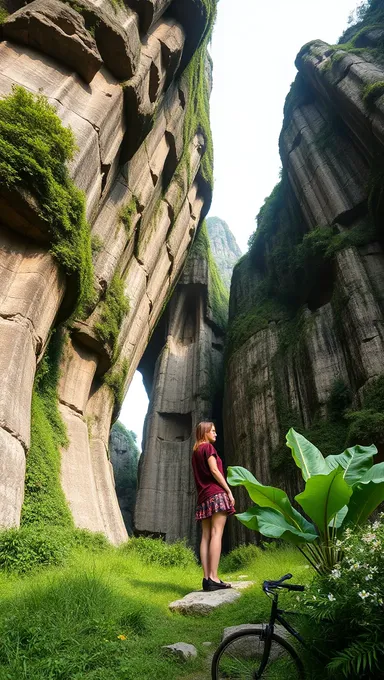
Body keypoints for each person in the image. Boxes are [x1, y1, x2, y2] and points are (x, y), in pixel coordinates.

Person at [192, 421, 235, 592]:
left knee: (206, 537)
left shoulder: (195, 451)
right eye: (213, 431)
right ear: (205, 432)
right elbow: (215, 471)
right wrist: (228, 490)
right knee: (217, 534)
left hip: (203, 497)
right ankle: (214, 577)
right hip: (216, 494)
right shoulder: (208, 448)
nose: (216, 434)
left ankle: (206, 578)